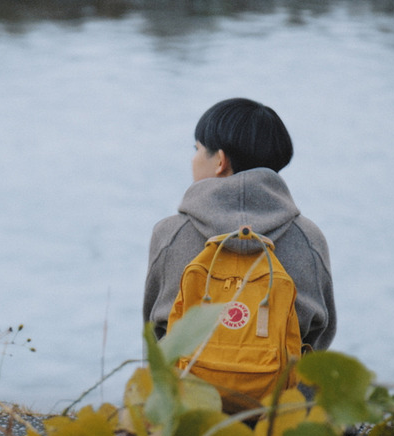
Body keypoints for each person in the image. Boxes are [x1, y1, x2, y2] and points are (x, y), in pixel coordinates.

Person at [143, 98, 335, 352]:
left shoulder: (169, 233)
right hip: (282, 391)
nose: (193, 159)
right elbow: (320, 335)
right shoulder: (309, 237)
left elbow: (155, 334)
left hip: (186, 388)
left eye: (197, 149)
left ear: (220, 161)